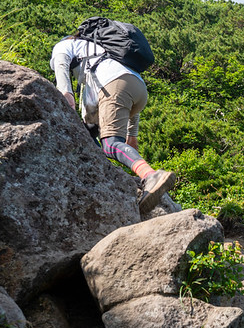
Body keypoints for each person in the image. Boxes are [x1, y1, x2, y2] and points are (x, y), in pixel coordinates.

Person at [50, 31, 175, 214]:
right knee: (90, 133)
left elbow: (60, 63)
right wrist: (132, 136)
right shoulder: (102, 50)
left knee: (110, 145)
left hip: (114, 86)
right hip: (137, 88)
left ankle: (151, 175)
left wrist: (65, 93)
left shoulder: (65, 44)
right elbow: (123, 93)